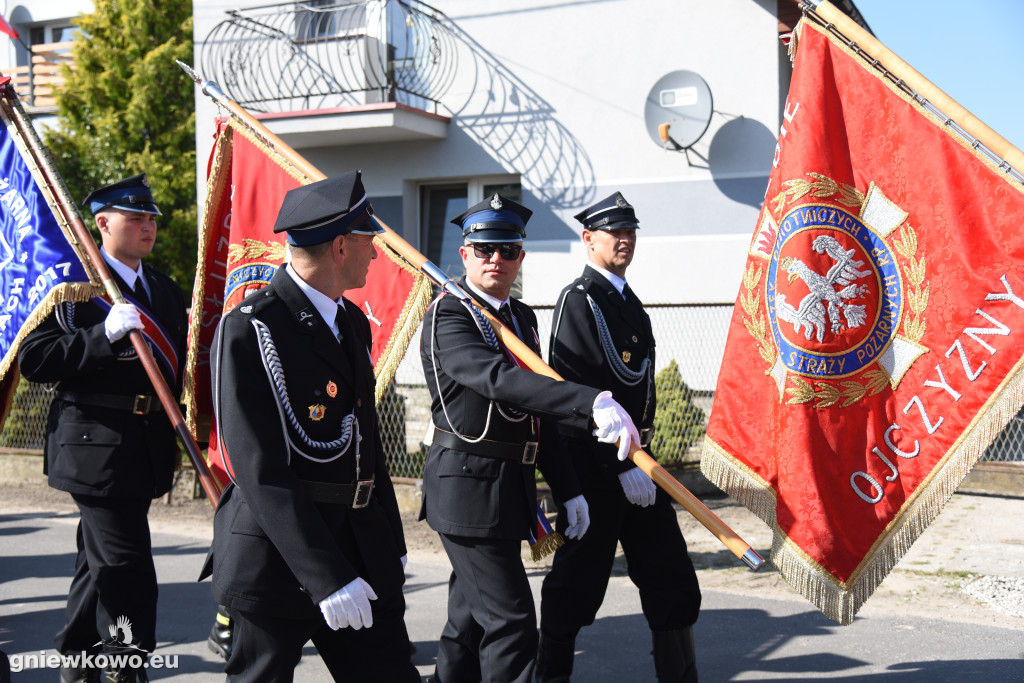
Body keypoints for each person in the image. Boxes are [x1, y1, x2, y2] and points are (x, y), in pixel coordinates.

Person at [202, 171, 418, 682]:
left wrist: (392, 539)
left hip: (360, 543)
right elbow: (260, 471)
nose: (377, 253)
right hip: (278, 552)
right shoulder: (250, 327)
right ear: (341, 246)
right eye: (371, 240)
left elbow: (366, 444)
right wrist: (326, 577)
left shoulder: (352, 321)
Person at [419, 193, 640, 683]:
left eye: (508, 249)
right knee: (512, 620)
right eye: (483, 250)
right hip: (467, 488)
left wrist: (569, 488)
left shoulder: (522, 318)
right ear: (464, 255)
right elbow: (497, 378)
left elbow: (539, 418)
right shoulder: (449, 314)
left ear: (522, 254)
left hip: (510, 487)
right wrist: (589, 401)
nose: (496, 259)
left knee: (469, 622)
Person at [17, 174, 188, 683]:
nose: (146, 227)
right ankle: (126, 668)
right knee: (128, 565)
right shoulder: (71, 288)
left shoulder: (162, 287)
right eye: (134, 218)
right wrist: (102, 335)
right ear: (102, 223)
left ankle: (76, 662)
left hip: (143, 447)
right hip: (91, 447)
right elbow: (34, 358)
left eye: (150, 219)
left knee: (96, 566)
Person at [536, 192, 702, 682]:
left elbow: (640, 391)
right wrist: (619, 465)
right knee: (576, 584)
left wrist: (638, 460)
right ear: (589, 240)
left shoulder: (630, 302)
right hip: (596, 469)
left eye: (630, 231)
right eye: (614, 233)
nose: (624, 240)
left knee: (670, 575)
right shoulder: (579, 299)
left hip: (639, 465)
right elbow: (575, 393)